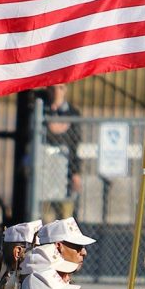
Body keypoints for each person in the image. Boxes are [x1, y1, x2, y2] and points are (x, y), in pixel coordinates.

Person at [34, 84, 82, 223]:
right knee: (46, 217)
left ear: (65, 89)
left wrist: (76, 172)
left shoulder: (73, 113)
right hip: (46, 169)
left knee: (66, 217)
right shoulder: (41, 111)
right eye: (53, 88)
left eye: (60, 88)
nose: (56, 93)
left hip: (66, 170)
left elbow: (75, 144)